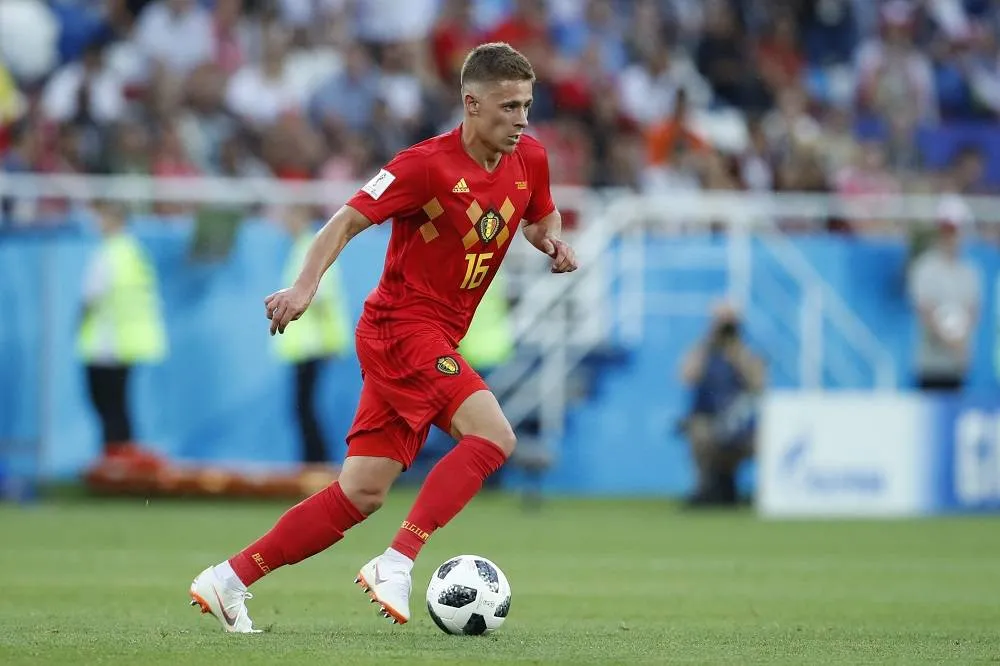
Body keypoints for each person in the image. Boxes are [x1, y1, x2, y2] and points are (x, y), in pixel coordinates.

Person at [189, 42, 578, 633]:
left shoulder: (530, 158)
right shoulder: (425, 166)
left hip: (436, 335)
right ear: (472, 103)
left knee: (361, 493)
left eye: (526, 105)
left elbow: (539, 214)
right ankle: (397, 560)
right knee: (493, 436)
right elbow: (345, 220)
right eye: (508, 106)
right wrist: (304, 286)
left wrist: (551, 240)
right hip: (401, 328)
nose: (521, 119)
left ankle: (228, 579)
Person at [77, 201, 168, 480]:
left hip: (106, 343)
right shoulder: (135, 253)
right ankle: (125, 466)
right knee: (120, 407)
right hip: (131, 342)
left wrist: (77, 324)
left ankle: (114, 469)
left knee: (107, 407)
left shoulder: (108, 254)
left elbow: (90, 298)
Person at [274, 205, 352, 471]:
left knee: (304, 407)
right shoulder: (304, 246)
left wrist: (293, 298)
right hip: (307, 345)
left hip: (311, 345)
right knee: (304, 407)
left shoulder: (312, 247)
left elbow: (319, 293)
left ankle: (315, 462)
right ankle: (314, 462)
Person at [678, 303, 764, 507]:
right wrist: (706, 343)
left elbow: (758, 384)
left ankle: (768, 492)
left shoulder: (745, 352)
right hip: (709, 421)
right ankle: (705, 489)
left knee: (766, 440)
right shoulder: (703, 351)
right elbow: (686, 376)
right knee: (698, 432)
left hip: (742, 425)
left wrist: (737, 353)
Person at [908, 197, 980, 392]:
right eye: (946, 229)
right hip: (931, 366)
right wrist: (950, 340)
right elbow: (925, 311)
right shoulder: (925, 268)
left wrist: (960, 342)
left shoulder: (969, 271)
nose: (951, 236)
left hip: (958, 366)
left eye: (955, 230)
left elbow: (973, 310)